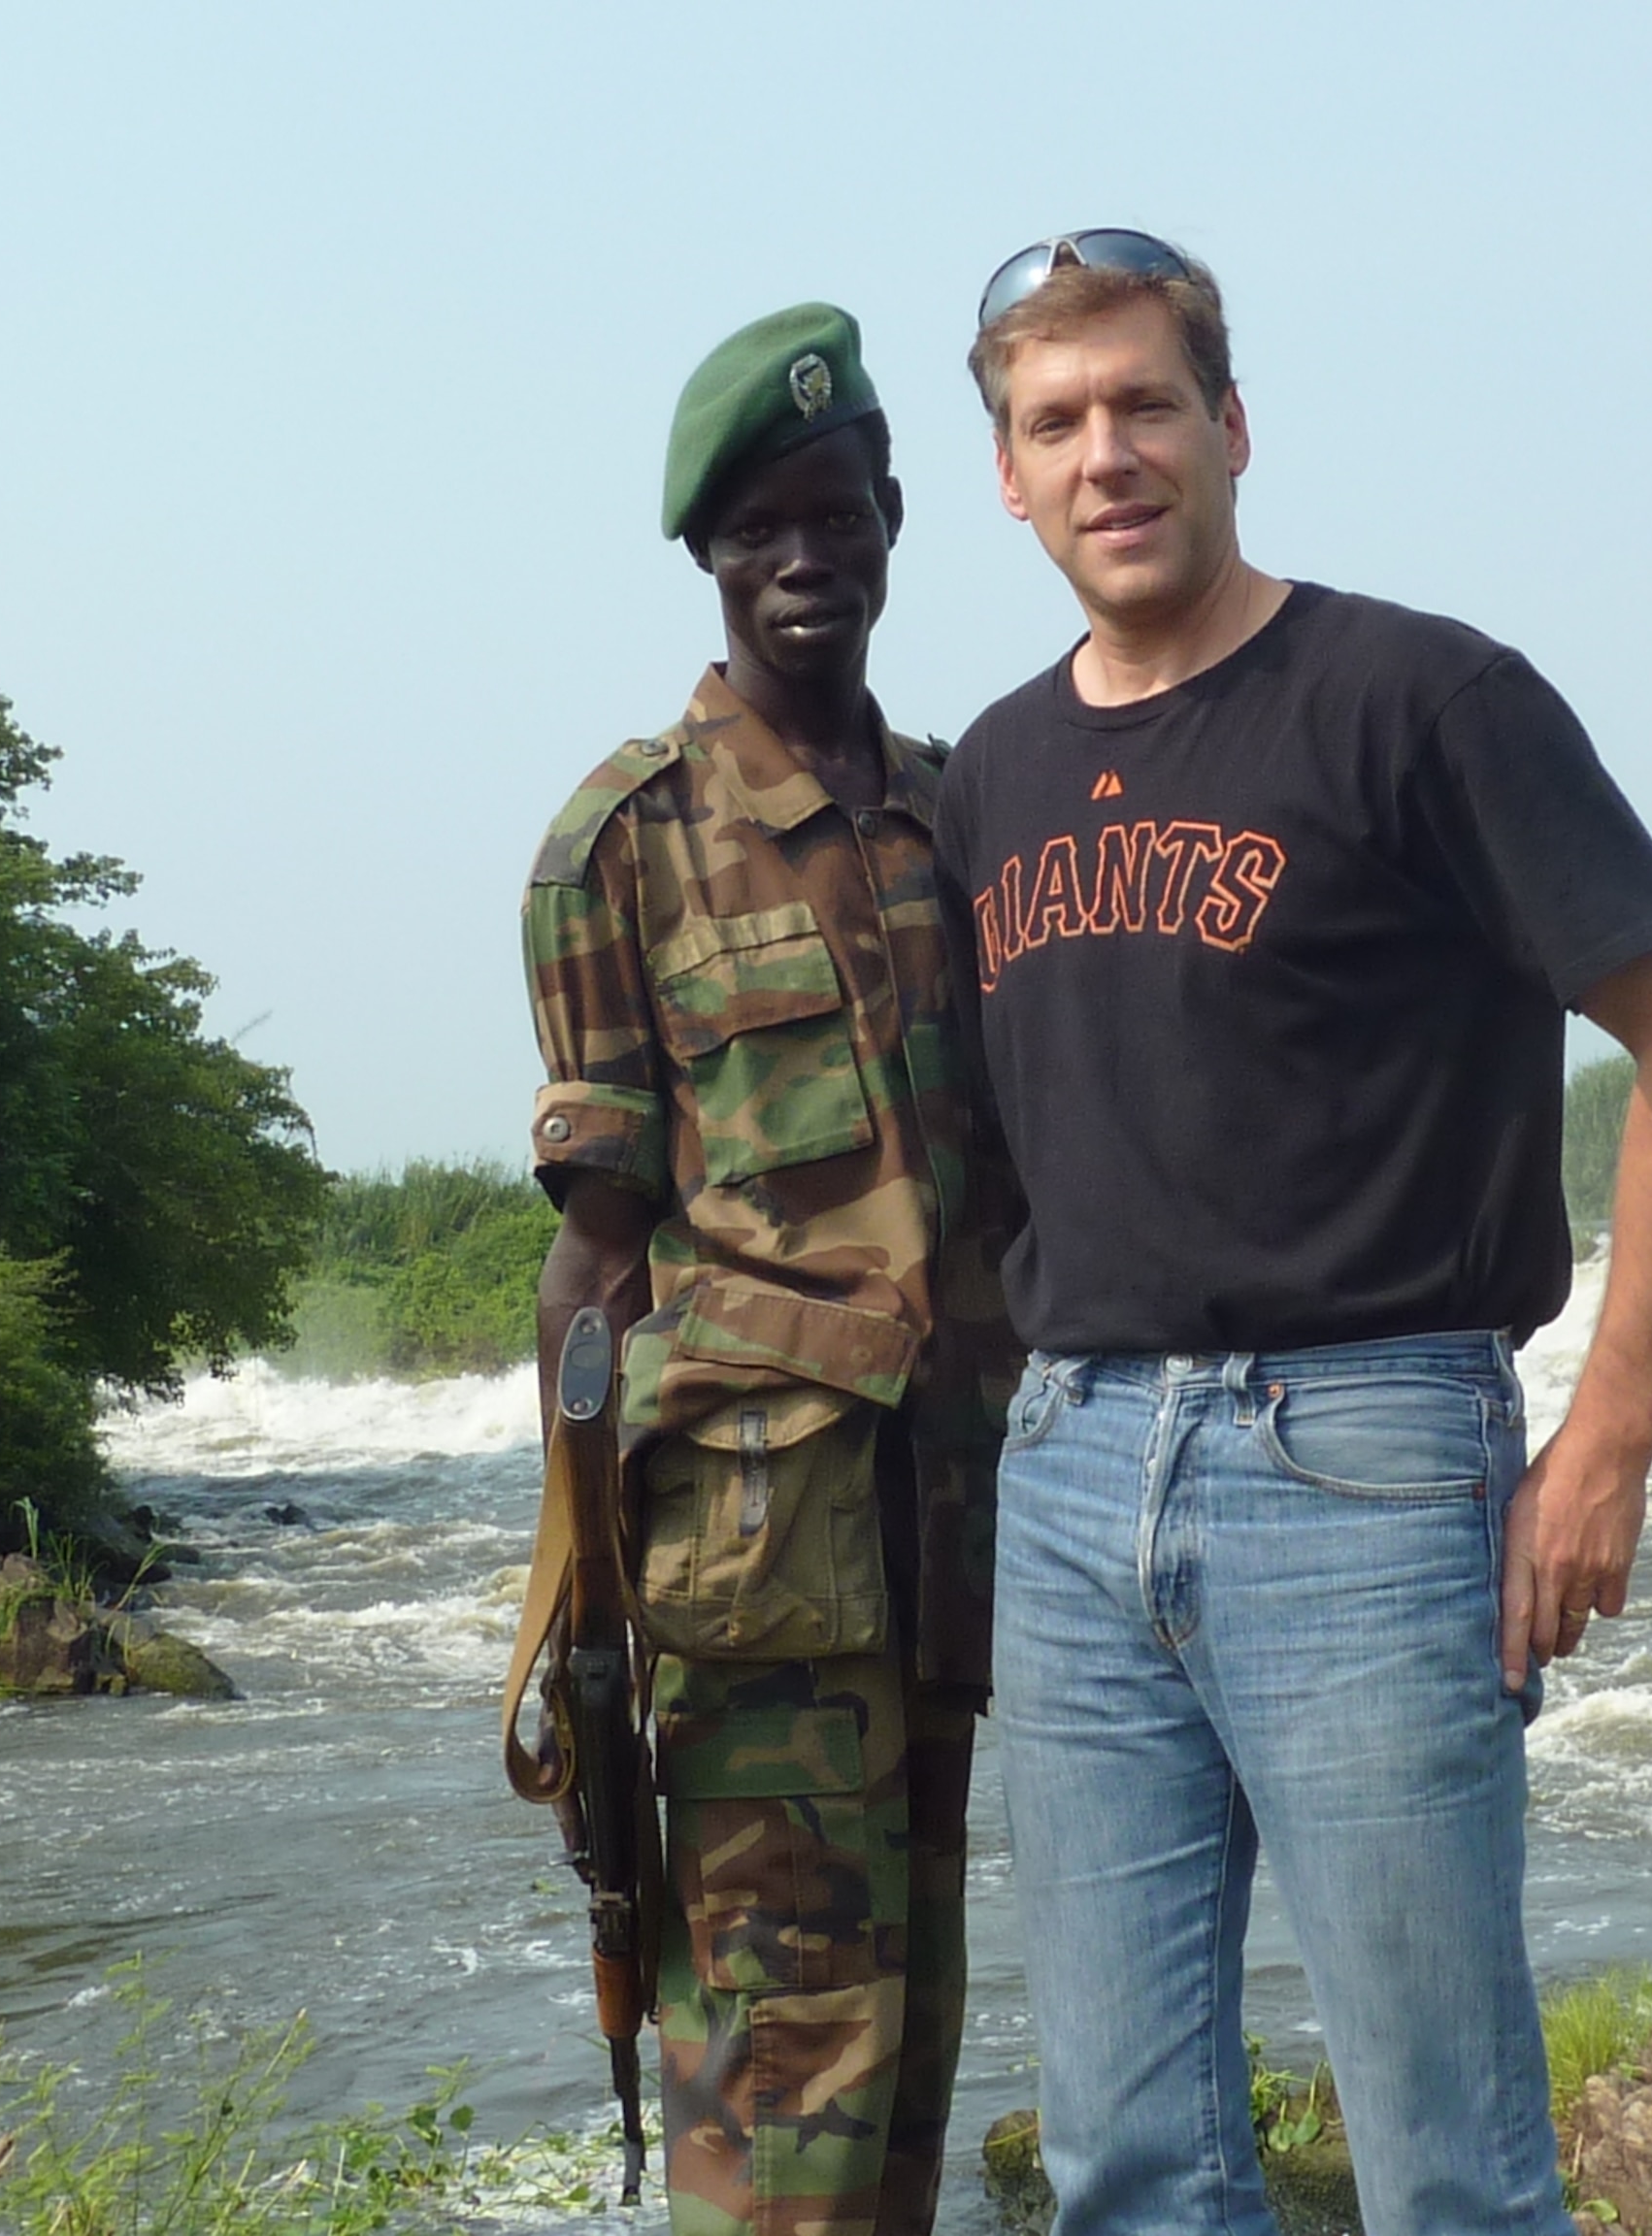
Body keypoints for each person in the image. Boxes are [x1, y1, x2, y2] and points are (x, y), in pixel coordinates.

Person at [932, 232, 1652, 2236]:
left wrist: (1607, 1447)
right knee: (1129, 2159)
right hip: (1068, 1476)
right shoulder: (991, 777)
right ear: (1009, 478)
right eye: (1057, 422)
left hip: (1373, 1459)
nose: (1107, 453)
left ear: (1231, 426)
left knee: (1446, 2164)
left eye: (1146, 404)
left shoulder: (1422, 699)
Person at [517, 302, 1008, 2236]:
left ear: (895, 514)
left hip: (945, 1556)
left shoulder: (968, 815)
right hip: (747, 1582)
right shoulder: (618, 849)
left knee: (910, 2100)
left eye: (836, 515)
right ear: (709, 562)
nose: (807, 561)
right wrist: (577, 1607)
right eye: (760, 533)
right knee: (775, 2115)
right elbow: (590, 1264)